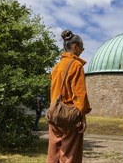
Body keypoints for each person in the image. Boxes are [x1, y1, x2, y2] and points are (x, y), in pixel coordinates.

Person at [47, 30, 91, 163]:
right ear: (74, 47)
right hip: (69, 116)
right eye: (81, 47)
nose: (82, 50)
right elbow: (80, 95)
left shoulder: (56, 67)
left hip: (54, 112)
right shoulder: (76, 66)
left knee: (53, 152)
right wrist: (82, 117)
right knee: (70, 155)